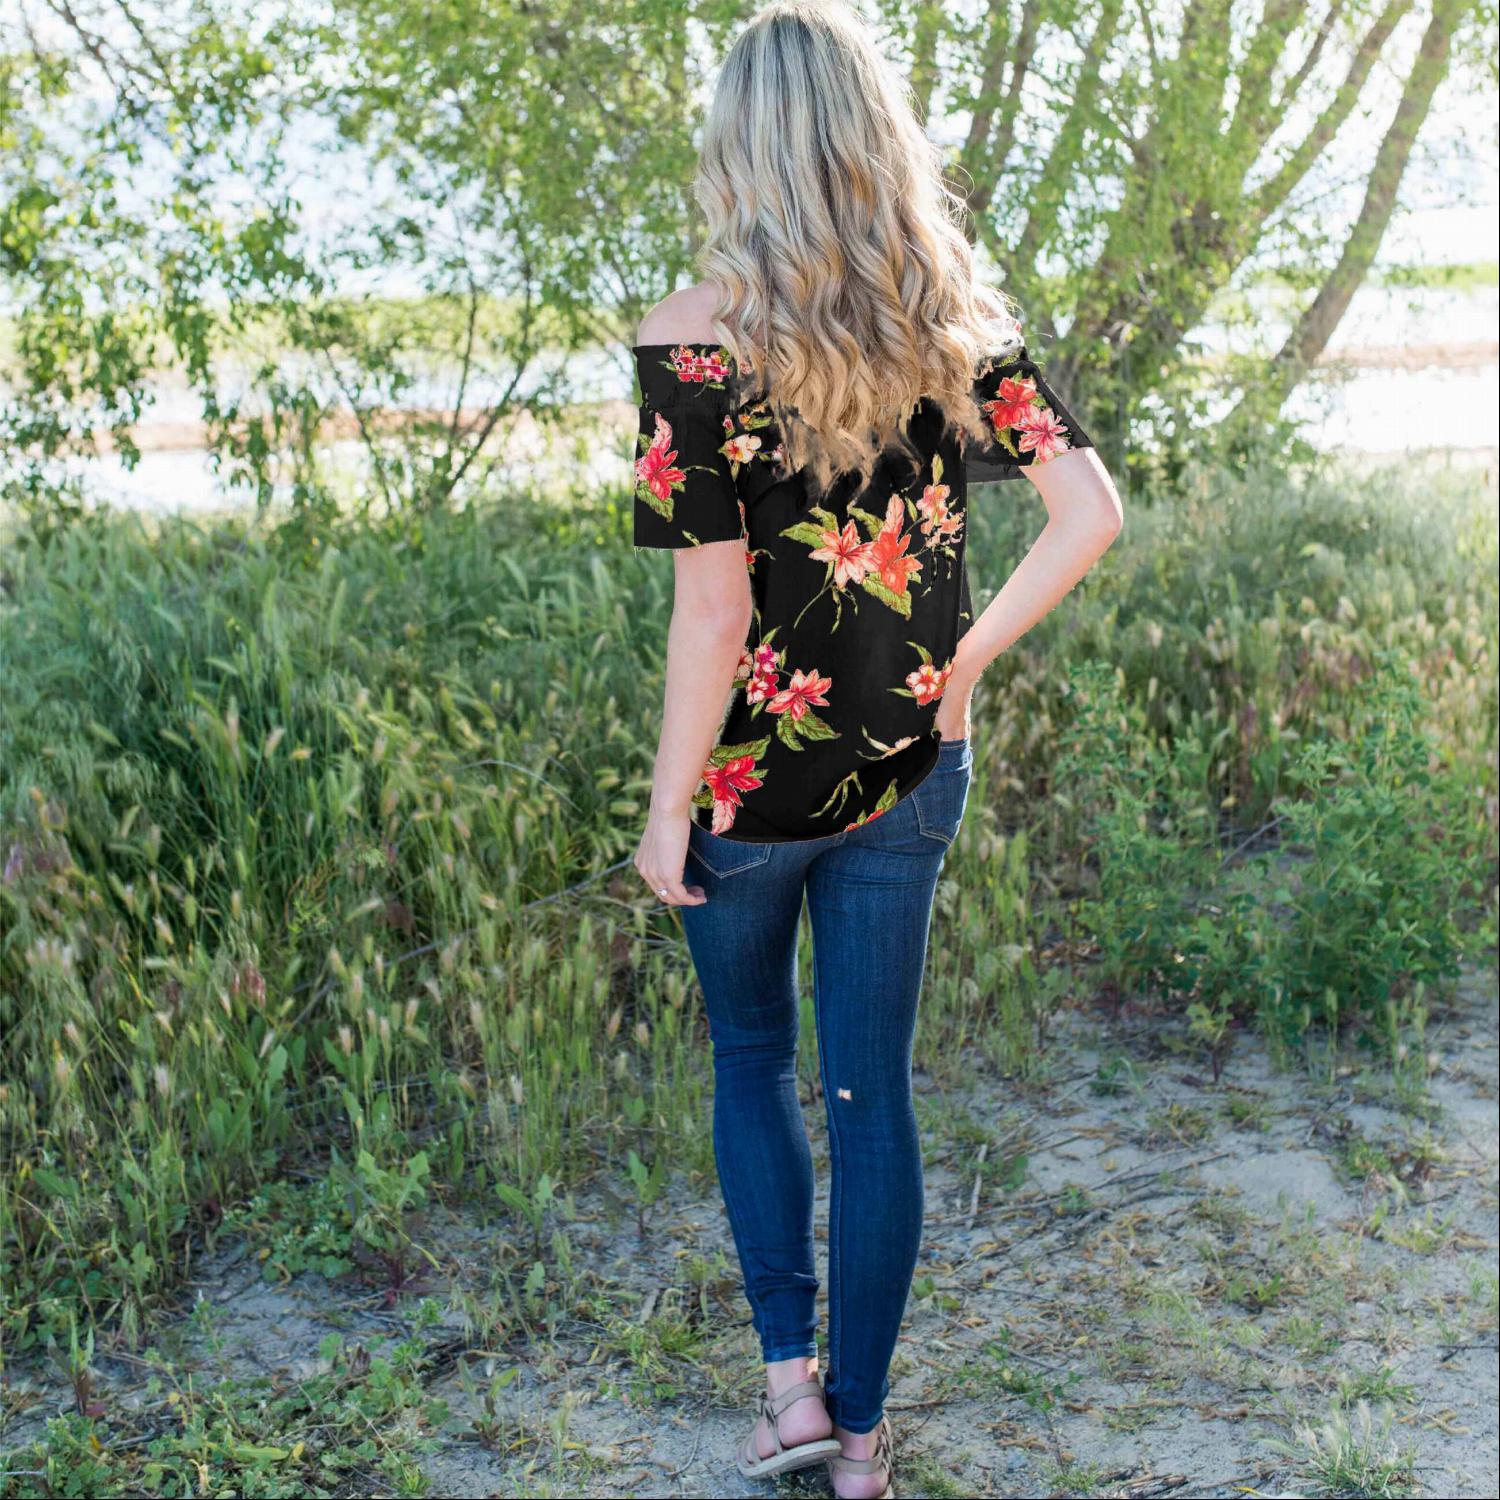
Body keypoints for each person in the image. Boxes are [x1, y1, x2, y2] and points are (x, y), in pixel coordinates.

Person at [629, 4, 1123, 1495]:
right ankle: (861, 1440)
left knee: (753, 1061)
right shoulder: (951, 316)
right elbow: (1090, 515)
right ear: (876, 136)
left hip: (747, 789)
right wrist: (958, 660)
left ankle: (789, 1389)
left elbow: (713, 612)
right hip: (913, 773)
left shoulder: (687, 339)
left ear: (737, 147)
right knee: (873, 1096)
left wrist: (665, 812)